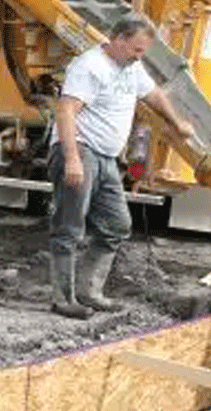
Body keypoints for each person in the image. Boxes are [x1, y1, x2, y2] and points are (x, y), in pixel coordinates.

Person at [49, 17, 196, 318]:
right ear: (118, 39)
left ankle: (90, 291)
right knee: (70, 227)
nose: (139, 56)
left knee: (117, 224)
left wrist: (177, 122)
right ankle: (63, 299)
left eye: (143, 52)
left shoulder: (130, 67)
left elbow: (153, 94)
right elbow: (65, 110)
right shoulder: (89, 67)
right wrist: (73, 158)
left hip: (106, 157)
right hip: (81, 151)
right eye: (136, 49)